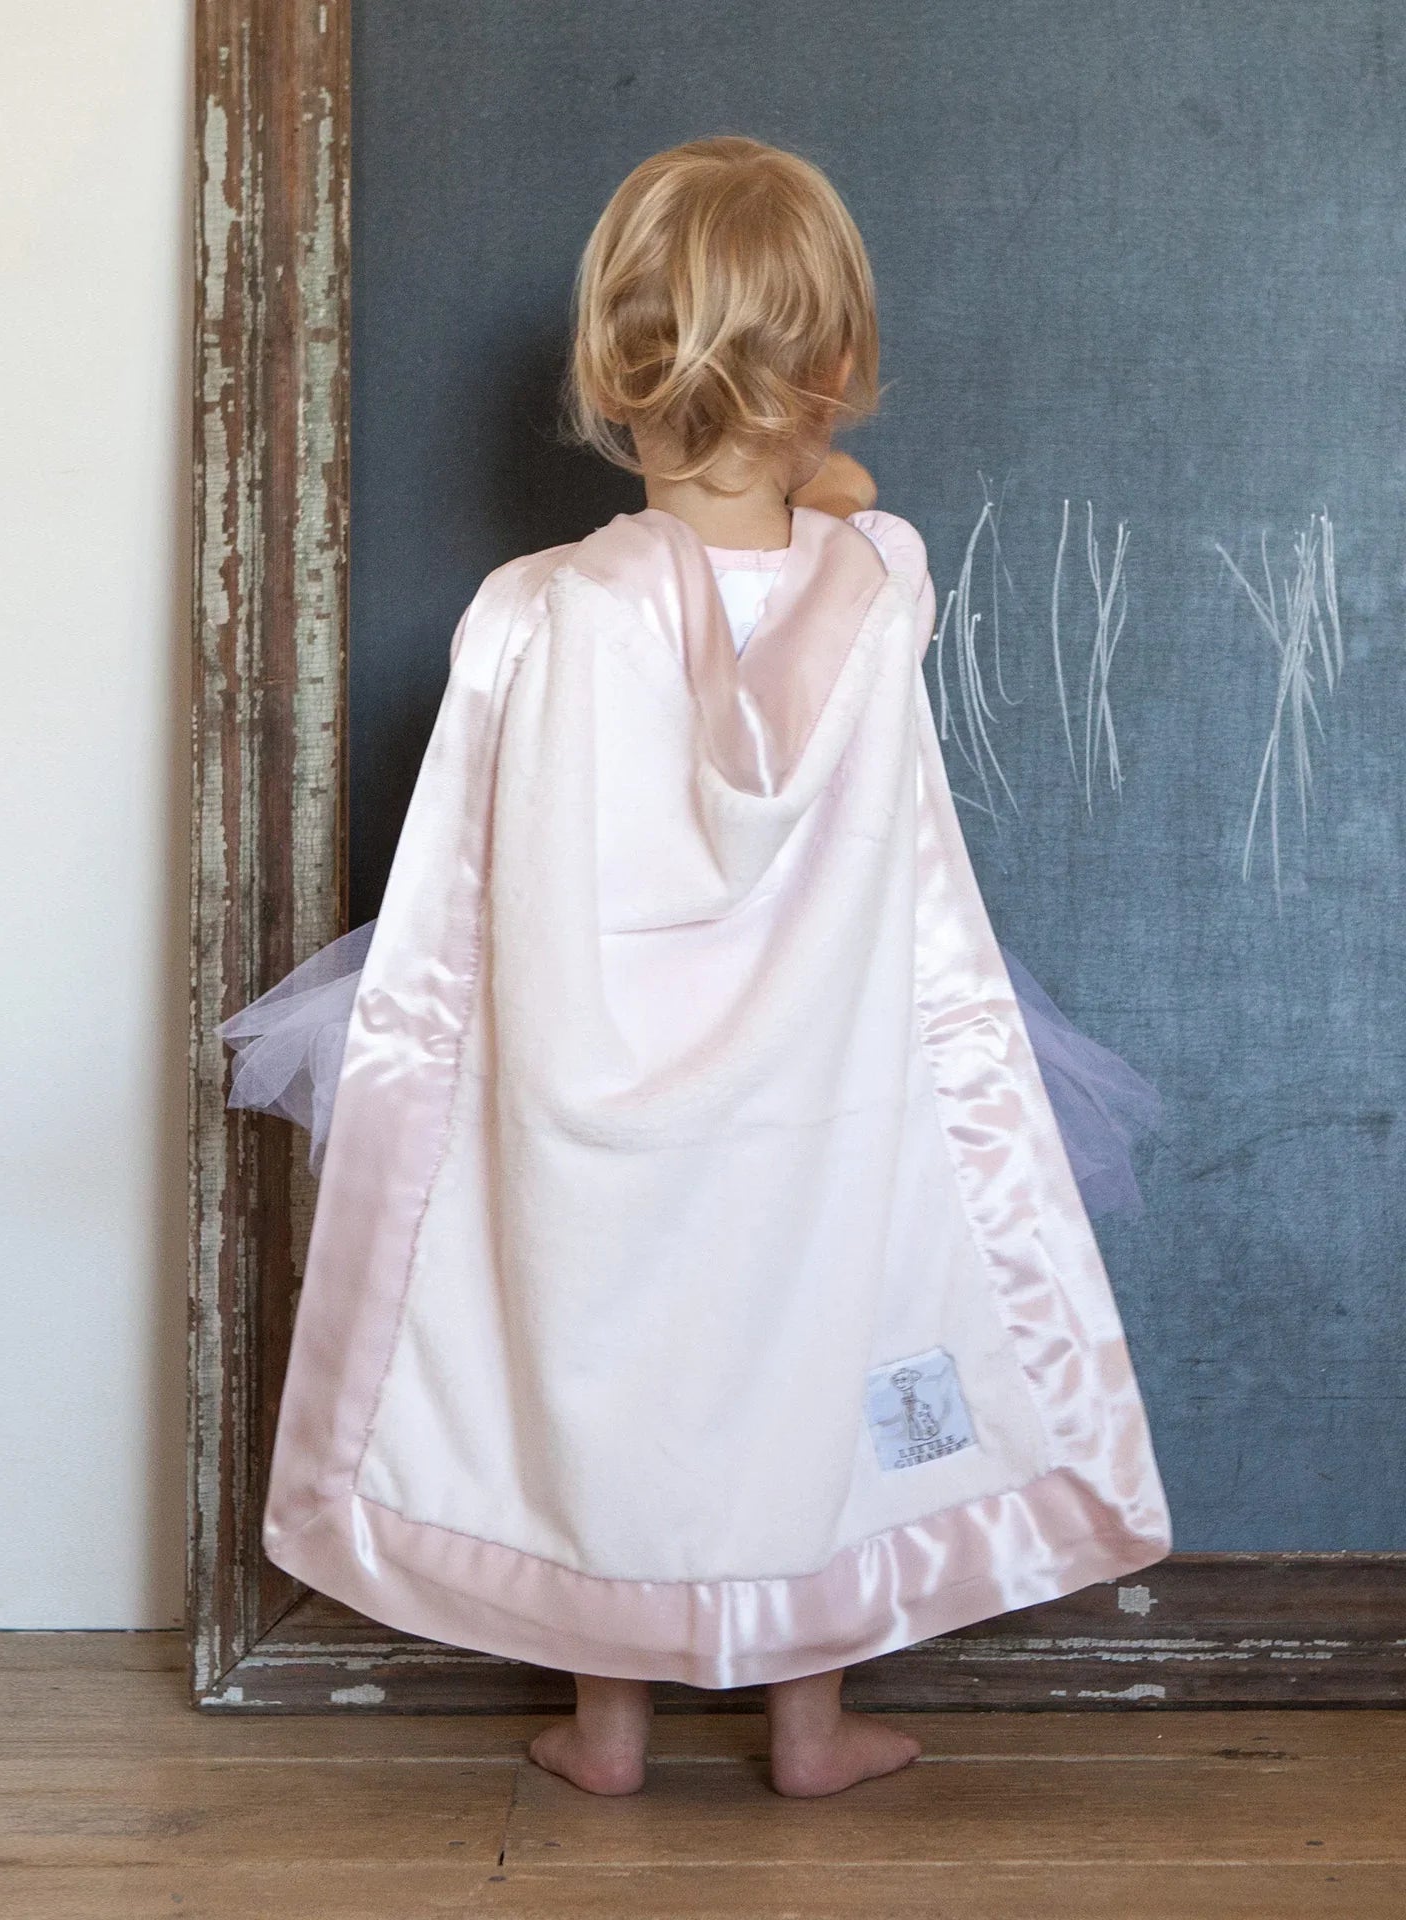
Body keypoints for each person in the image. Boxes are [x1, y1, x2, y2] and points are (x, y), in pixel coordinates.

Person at [220, 136, 1171, 1799]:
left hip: (594, 1101)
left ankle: (608, 1730)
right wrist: (813, 478)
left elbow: (472, 882)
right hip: (819, 1101)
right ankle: (810, 1728)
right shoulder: (880, 583)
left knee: (611, 1363)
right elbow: (845, 519)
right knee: (810, 1351)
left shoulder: (533, 613)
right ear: (838, 373)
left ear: (613, 377)